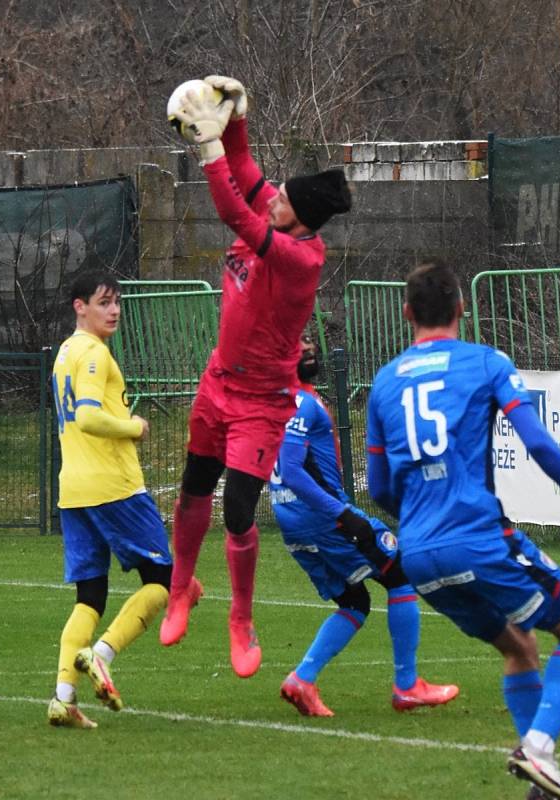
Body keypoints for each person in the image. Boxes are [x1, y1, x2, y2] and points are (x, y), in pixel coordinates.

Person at [366, 261, 560, 800]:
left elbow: (379, 486)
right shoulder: (485, 363)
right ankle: (538, 748)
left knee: (520, 648)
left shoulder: (384, 381)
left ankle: (542, 786)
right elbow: (539, 444)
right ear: (462, 307)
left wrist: (417, 517)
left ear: (407, 313)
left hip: (418, 555)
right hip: (478, 536)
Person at [160, 75, 352, 681]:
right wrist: (236, 117)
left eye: (283, 201)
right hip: (219, 381)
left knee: (237, 509)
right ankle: (179, 588)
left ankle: (241, 619)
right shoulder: (282, 208)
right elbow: (245, 169)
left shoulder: (300, 258)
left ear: (302, 220)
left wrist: (207, 149)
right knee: (194, 487)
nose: (271, 198)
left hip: (263, 400)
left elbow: (228, 206)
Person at [270, 334, 459, 716]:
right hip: (321, 516)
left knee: (354, 601)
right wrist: (341, 513)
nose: (308, 351)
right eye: (298, 347)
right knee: (401, 573)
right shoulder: (301, 404)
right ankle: (407, 686)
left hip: (291, 520)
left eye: (310, 346)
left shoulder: (275, 403)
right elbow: (291, 469)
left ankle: (302, 679)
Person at [48, 269, 173, 729]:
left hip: (74, 489)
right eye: (103, 302)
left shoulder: (64, 352)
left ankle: (63, 697)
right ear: (80, 306)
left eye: (117, 302)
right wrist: (134, 427)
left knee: (90, 595)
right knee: (164, 578)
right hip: (112, 486)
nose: (114, 310)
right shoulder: (94, 353)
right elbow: (88, 417)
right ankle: (101, 655)